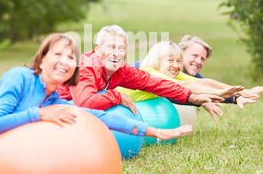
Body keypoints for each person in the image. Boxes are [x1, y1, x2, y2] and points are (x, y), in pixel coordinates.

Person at [0, 33, 193, 160]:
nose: (64, 61)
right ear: (42, 59)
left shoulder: (52, 99)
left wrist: (154, 131)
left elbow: (100, 117)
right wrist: (40, 114)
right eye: (58, 55)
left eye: (70, 57)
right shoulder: (19, 78)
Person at [57, 25, 224, 115]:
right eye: (111, 47)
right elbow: (85, 103)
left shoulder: (121, 70)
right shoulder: (86, 67)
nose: (117, 53)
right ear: (98, 49)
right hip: (48, 105)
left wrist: (190, 97)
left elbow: (153, 83)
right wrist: (118, 96)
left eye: (121, 48)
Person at [117, 41, 248, 120]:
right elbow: (185, 85)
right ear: (157, 61)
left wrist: (241, 93)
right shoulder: (151, 73)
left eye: (178, 61)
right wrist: (218, 93)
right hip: (114, 108)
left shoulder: (171, 72)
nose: (175, 65)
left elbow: (201, 82)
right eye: (170, 60)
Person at [178, 35, 263, 108]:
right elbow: (188, 87)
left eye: (202, 59)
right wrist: (203, 100)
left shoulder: (189, 74)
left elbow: (206, 84)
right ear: (181, 53)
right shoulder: (169, 70)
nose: (198, 61)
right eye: (194, 55)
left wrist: (236, 98)